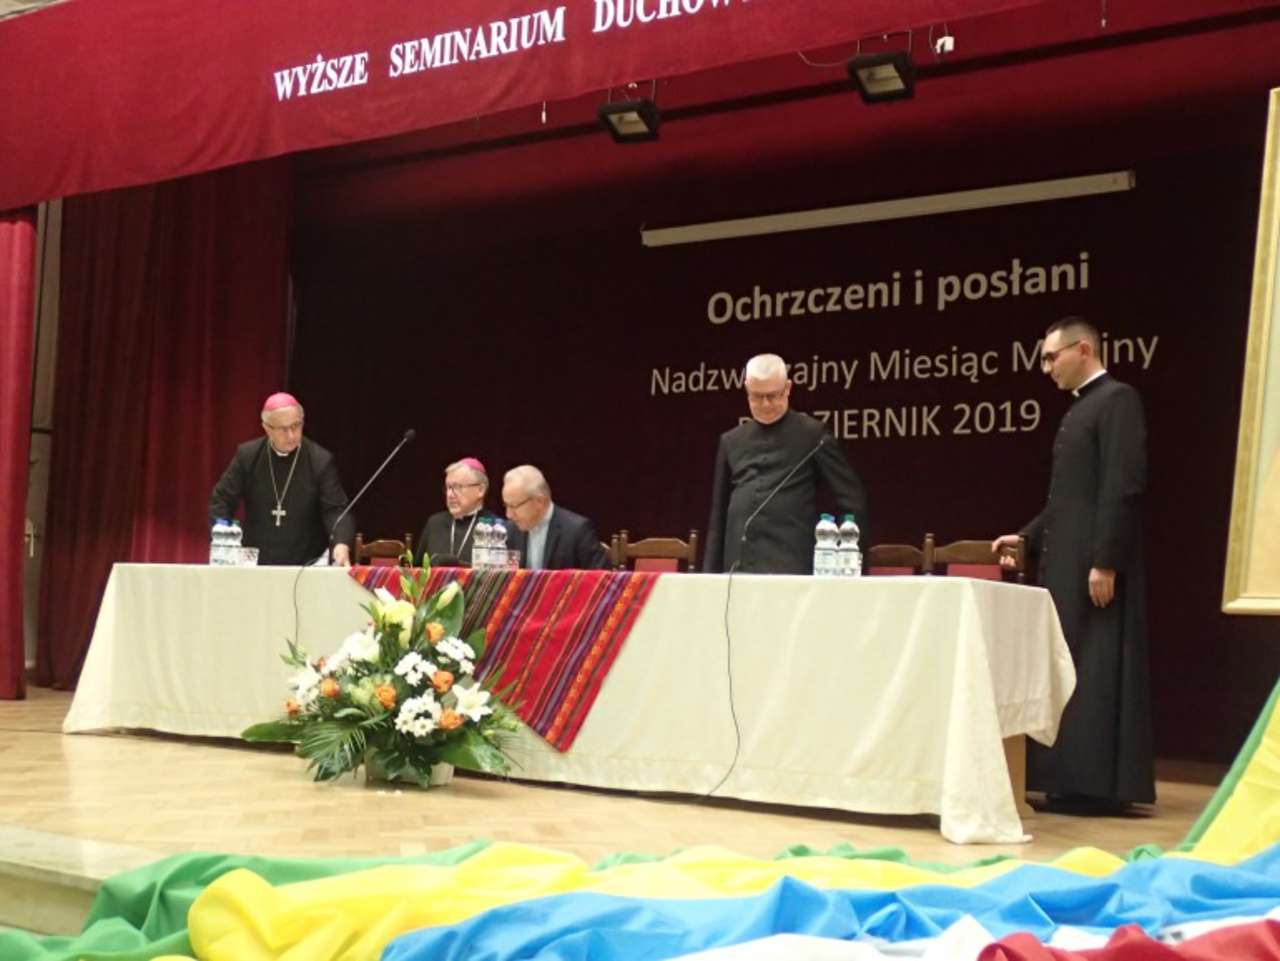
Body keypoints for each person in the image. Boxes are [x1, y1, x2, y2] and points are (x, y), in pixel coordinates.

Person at [993, 316, 1154, 814]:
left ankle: (1096, 785)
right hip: (1068, 562)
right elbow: (1068, 498)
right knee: (1071, 666)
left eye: (1051, 357)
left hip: (1094, 565)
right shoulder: (1081, 408)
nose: (1045, 368)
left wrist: (1106, 560)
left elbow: (1122, 486)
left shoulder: (1118, 399)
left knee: (1096, 666)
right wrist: (1026, 537)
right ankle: (1067, 780)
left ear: (1083, 350)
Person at [704, 353, 867, 574]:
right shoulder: (731, 441)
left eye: (772, 395)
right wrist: (709, 576)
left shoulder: (814, 435)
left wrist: (848, 565)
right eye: (757, 396)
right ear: (746, 389)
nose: (765, 404)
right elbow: (718, 518)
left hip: (793, 568)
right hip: (737, 570)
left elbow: (851, 500)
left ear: (788, 388)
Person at [208, 392, 353, 566]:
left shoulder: (319, 460)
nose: (291, 435)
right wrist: (224, 541)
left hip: (306, 563)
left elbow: (335, 509)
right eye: (283, 429)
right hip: (254, 561)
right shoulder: (248, 456)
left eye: (296, 426)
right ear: (267, 428)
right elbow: (221, 499)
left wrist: (341, 542)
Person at [502, 465, 610, 571]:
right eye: (506, 505)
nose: (508, 514)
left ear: (539, 501)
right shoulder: (508, 531)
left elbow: (601, 578)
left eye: (513, 506)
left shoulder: (577, 531)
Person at [417, 457, 498, 566]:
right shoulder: (435, 523)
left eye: (458, 487)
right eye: (448, 487)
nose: (450, 495)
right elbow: (417, 569)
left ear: (480, 490)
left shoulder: (495, 527)